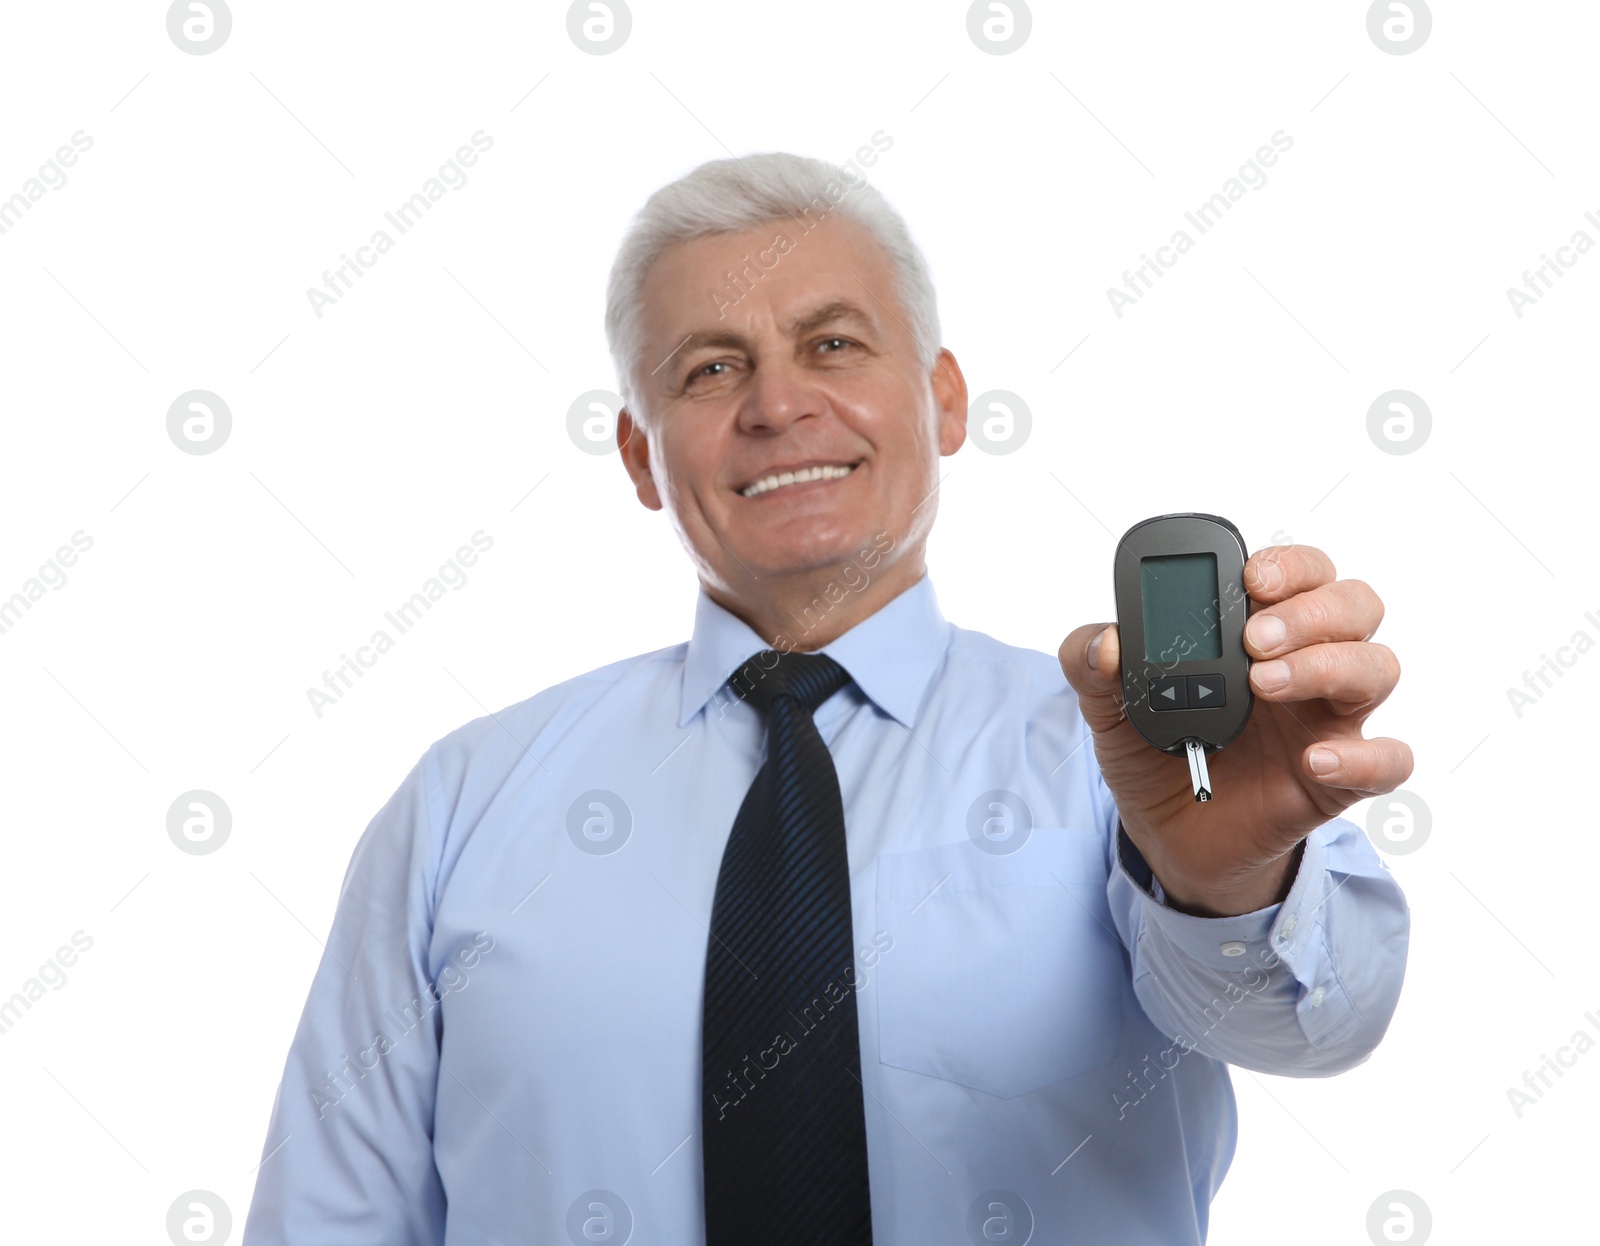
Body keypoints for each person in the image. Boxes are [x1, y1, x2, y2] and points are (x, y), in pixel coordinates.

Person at [242, 152, 1412, 1245]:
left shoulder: (1127, 760)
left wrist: (1221, 883)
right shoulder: (462, 805)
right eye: (709, 367)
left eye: (835, 345)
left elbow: (1308, 1025)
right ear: (643, 458)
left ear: (945, 399)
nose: (776, 405)